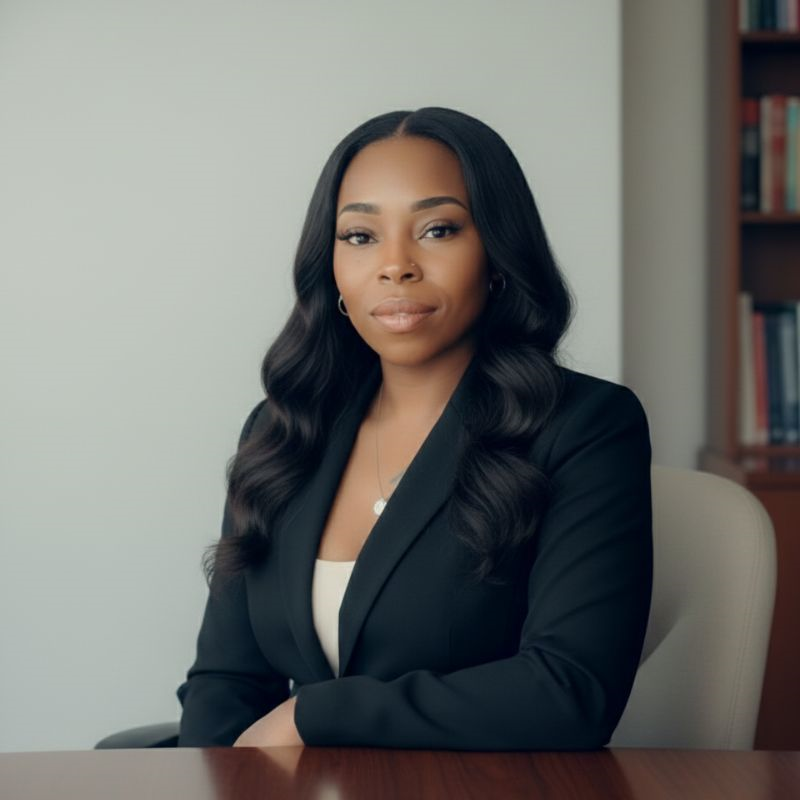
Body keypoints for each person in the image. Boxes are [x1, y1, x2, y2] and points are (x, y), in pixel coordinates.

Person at [176, 107, 652, 750]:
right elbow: (225, 681)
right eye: (361, 236)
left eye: (437, 228)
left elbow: (570, 691)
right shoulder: (284, 428)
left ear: (497, 253)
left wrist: (311, 716)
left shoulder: (585, 427)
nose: (395, 266)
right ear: (334, 269)